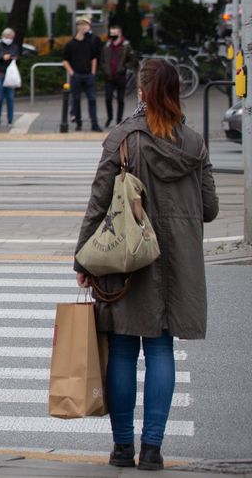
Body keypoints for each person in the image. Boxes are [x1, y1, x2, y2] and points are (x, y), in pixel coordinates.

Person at [74, 59, 218, 471]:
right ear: (176, 94)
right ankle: (152, 449)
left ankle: (122, 448)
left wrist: (82, 258)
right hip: (177, 264)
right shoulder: (194, 143)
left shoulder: (122, 139)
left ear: (141, 91)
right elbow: (209, 208)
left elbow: (98, 203)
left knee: (121, 349)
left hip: (126, 260)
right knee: (160, 349)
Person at [63, 18, 104, 132]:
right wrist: (71, 72)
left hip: (88, 75)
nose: (83, 28)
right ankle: (78, 123)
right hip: (76, 75)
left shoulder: (90, 42)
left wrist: (93, 72)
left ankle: (94, 123)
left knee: (92, 99)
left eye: (85, 25)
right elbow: (65, 60)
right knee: (76, 99)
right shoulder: (70, 44)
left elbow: (94, 58)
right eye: (81, 25)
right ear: (78, 28)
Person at [102, 26, 138, 127]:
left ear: (119, 34)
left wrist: (124, 67)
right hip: (109, 77)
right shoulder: (107, 45)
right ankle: (109, 117)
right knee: (108, 98)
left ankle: (119, 120)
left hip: (120, 76)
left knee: (120, 100)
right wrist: (105, 69)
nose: (112, 35)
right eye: (111, 33)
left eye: (114, 33)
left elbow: (132, 59)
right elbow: (102, 60)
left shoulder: (126, 45)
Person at [0, 28, 21, 127]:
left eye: (11, 37)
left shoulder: (14, 47)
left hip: (10, 74)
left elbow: (18, 60)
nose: (10, 39)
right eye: (8, 37)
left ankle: (10, 120)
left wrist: (15, 59)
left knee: (10, 98)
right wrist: (2, 57)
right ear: (4, 36)